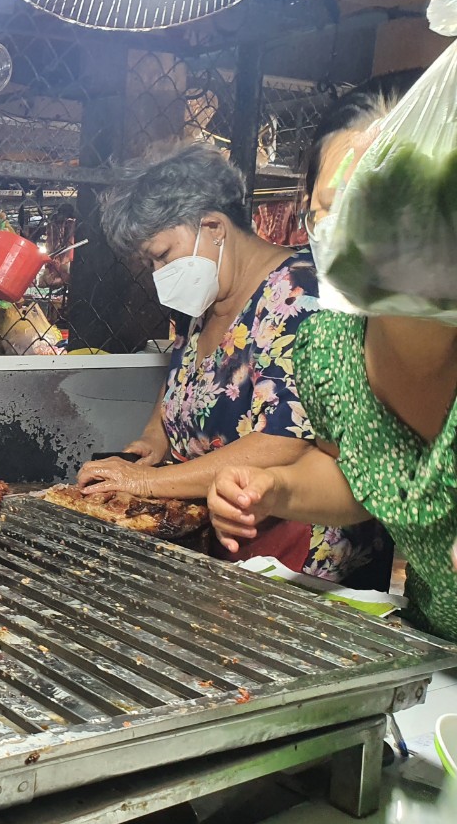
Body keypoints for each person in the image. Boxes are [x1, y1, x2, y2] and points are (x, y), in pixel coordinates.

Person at [210, 91, 457, 642]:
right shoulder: (329, 345)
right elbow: (354, 472)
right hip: (436, 648)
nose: (367, 230)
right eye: (337, 206)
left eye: (390, 197)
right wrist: (275, 488)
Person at [76, 140, 382, 580]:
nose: (159, 274)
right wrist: (154, 438)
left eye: (162, 255)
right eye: (150, 263)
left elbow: (284, 441)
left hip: (296, 557)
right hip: (224, 543)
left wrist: (147, 482)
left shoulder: (300, 295)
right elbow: (182, 379)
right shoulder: (205, 303)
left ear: (214, 227)